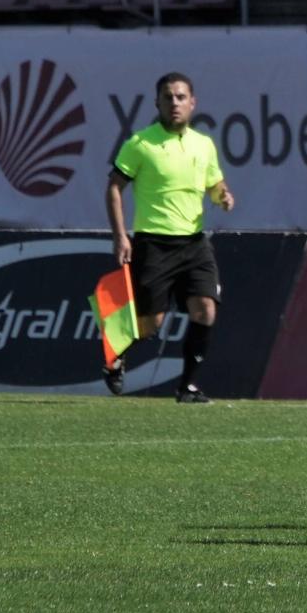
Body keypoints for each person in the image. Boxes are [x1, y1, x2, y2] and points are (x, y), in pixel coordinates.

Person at [103, 72, 236, 405]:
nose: (174, 103)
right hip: (153, 244)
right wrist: (121, 236)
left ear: (193, 103)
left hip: (194, 243)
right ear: (157, 103)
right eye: (168, 98)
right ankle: (115, 352)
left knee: (205, 309)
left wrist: (222, 196)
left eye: (180, 97)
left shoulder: (203, 145)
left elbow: (214, 184)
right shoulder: (140, 144)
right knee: (151, 325)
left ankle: (187, 387)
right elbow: (114, 188)